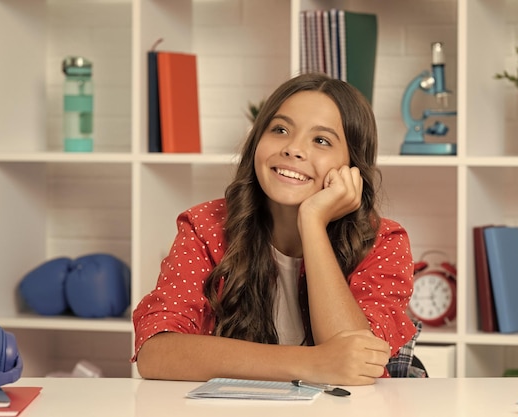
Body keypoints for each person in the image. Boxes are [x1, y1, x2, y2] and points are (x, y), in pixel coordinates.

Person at [132, 72, 416, 386]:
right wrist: (313, 362)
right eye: (280, 129)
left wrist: (312, 222)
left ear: (352, 166)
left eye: (321, 140)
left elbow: (356, 364)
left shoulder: (384, 242)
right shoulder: (205, 226)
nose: (293, 149)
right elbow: (156, 352)